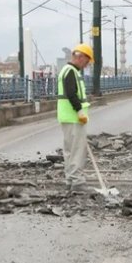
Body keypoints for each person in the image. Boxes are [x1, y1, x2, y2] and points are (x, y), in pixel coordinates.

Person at [57, 43, 94, 193]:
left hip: (67, 117)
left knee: (69, 151)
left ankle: (70, 180)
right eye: (86, 61)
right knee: (77, 151)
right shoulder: (70, 71)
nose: (86, 65)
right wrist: (79, 111)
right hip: (74, 118)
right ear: (80, 57)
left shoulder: (67, 71)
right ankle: (77, 182)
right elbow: (71, 93)